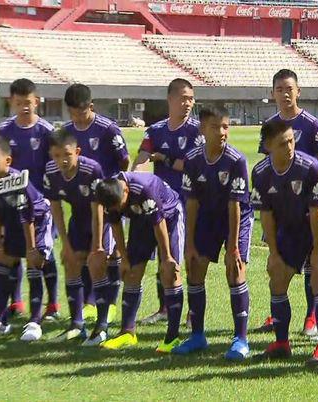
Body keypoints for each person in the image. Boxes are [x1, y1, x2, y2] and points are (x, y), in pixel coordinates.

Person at [251, 120, 318, 368]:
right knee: (277, 279)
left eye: (291, 141)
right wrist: (274, 254)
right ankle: (281, 344)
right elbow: (266, 215)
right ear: (268, 146)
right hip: (290, 232)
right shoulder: (260, 173)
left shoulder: (308, 167)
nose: (289, 147)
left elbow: (317, 211)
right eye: (282, 143)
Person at [172, 106, 253, 360]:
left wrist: (233, 247)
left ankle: (240, 339)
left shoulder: (236, 160)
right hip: (207, 217)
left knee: (235, 270)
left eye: (226, 126)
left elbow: (235, 205)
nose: (222, 132)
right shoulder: (193, 160)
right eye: (216, 127)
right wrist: (190, 244)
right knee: (195, 268)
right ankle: (197, 336)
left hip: (236, 218)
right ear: (202, 129)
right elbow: (192, 203)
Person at [256, 69, 318, 337]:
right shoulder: (271, 125)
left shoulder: (311, 124)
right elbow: (266, 163)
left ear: (299, 91)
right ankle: (278, 314)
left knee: (311, 260)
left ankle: (311, 316)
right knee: (275, 262)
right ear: (272, 93)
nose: (285, 94)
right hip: (278, 204)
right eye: (279, 89)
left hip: (306, 206)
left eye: (289, 89)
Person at [130, 78, 203, 326]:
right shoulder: (155, 130)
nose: (188, 103)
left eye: (191, 98)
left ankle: (193, 313)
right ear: (170, 99)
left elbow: (195, 166)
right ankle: (163, 309)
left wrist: (165, 159)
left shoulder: (197, 130)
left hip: (188, 204)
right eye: (183, 98)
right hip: (159, 205)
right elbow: (142, 157)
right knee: (164, 256)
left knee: (187, 259)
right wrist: (135, 177)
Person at [0, 136, 55, 342]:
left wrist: (32, 248)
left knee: (34, 264)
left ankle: (35, 322)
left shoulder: (17, 182)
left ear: (8, 161)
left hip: (38, 222)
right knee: (3, 261)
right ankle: (0, 321)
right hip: (12, 222)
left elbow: (28, 217)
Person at [94, 172, 185, 353]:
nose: (117, 210)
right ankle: (128, 332)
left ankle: (172, 337)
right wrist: (124, 258)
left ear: (126, 190)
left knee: (170, 273)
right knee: (132, 273)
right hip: (140, 218)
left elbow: (159, 224)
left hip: (169, 216)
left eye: (119, 206)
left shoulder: (144, 189)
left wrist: (166, 257)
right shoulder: (109, 193)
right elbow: (116, 224)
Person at [63, 83, 130, 322]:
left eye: (81, 113)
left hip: (105, 204)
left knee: (109, 252)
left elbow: (124, 161)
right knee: (82, 253)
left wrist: (110, 188)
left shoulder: (108, 129)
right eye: (73, 113)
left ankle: (110, 303)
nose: (77, 118)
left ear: (91, 107)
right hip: (80, 204)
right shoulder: (67, 132)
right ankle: (89, 302)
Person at [42, 129, 115, 345]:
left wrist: (97, 246)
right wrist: (65, 245)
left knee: (96, 267)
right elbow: (56, 210)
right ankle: (76, 325)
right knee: (71, 265)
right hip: (78, 220)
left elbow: (98, 210)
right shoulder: (51, 173)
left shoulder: (91, 170)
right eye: (56, 156)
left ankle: (101, 328)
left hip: (101, 220)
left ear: (77, 151)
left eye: (67, 154)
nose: (62, 160)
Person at [0, 78, 57, 319]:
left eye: (28, 102)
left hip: (41, 205)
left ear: (37, 102)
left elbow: (53, 166)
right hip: (10, 203)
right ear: (12, 102)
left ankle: (52, 304)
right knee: (14, 249)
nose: (24, 107)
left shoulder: (47, 131)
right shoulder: (3, 130)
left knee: (43, 252)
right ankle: (17, 301)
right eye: (19, 103)